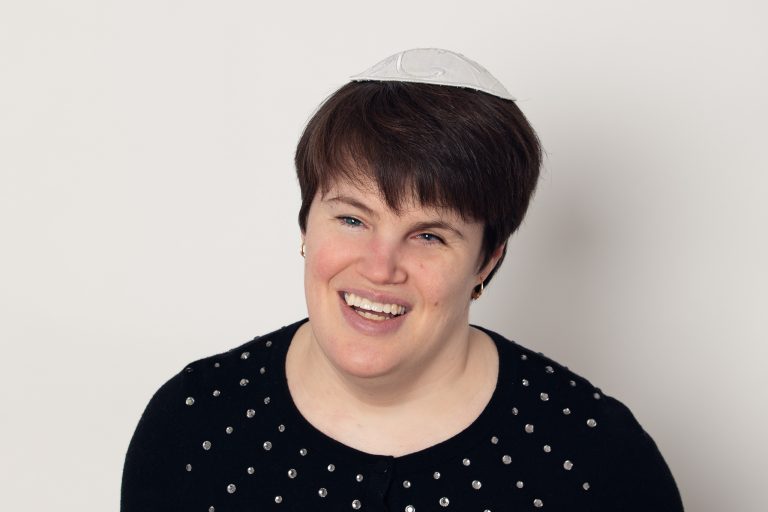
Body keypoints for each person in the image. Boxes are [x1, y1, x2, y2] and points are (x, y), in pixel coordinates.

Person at [121, 48, 683, 511]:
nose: (379, 267)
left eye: (429, 235)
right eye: (352, 219)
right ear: (305, 225)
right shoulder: (194, 421)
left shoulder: (598, 458)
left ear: (486, 261)